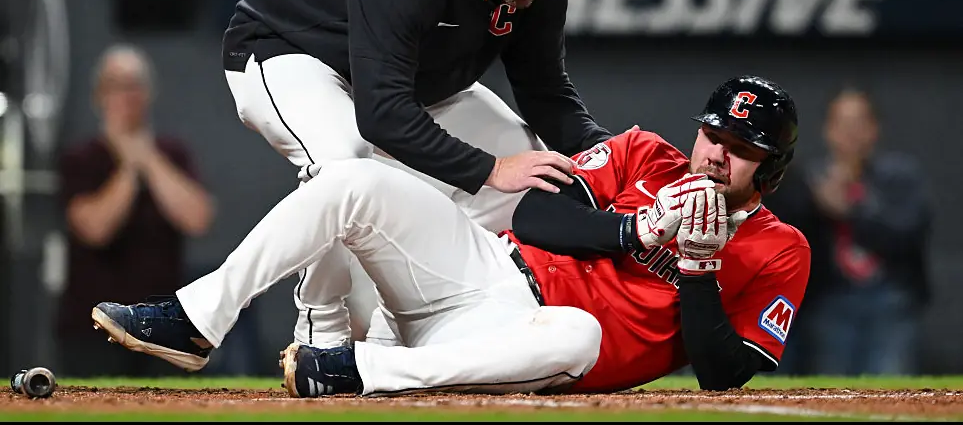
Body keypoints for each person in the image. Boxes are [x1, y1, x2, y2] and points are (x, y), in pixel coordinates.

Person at [90, 75, 809, 395]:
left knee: (579, 333)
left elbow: (723, 373)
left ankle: (357, 369)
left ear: (770, 170)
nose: (717, 154)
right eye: (713, 134)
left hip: (531, 341)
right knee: (351, 177)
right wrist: (635, 227)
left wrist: (698, 267)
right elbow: (534, 216)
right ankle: (196, 319)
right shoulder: (646, 154)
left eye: (740, 149)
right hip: (482, 270)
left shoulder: (780, 249)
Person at [216, 0, 610, 349]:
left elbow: (545, 91)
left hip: (406, 84)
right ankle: (320, 330)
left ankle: (398, 332)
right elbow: (382, 115)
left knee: (531, 169)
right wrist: (491, 168)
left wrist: (614, 152)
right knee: (345, 163)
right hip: (288, 54)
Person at [57, 44, 215, 377]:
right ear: (100, 95)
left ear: (149, 92)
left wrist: (148, 158)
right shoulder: (82, 158)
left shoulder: (172, 154)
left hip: (161, 328)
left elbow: (198, 218)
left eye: (135, 84)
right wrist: (130, 166)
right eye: (117, 85)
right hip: (92, 329)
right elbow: (95, 229)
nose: (127, 95)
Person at [766, 87, 930, 375]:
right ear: (828, 130)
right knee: (834, 387)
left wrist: (853, 211)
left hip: (890, 300)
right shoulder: (808, 179)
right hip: (830, 301)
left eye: (859, 123)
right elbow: (785, 241)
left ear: (874, 129)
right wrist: (815, 205)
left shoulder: (898, 178)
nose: (851, 133)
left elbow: (909, 234)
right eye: (842, 124)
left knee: (891, 383)